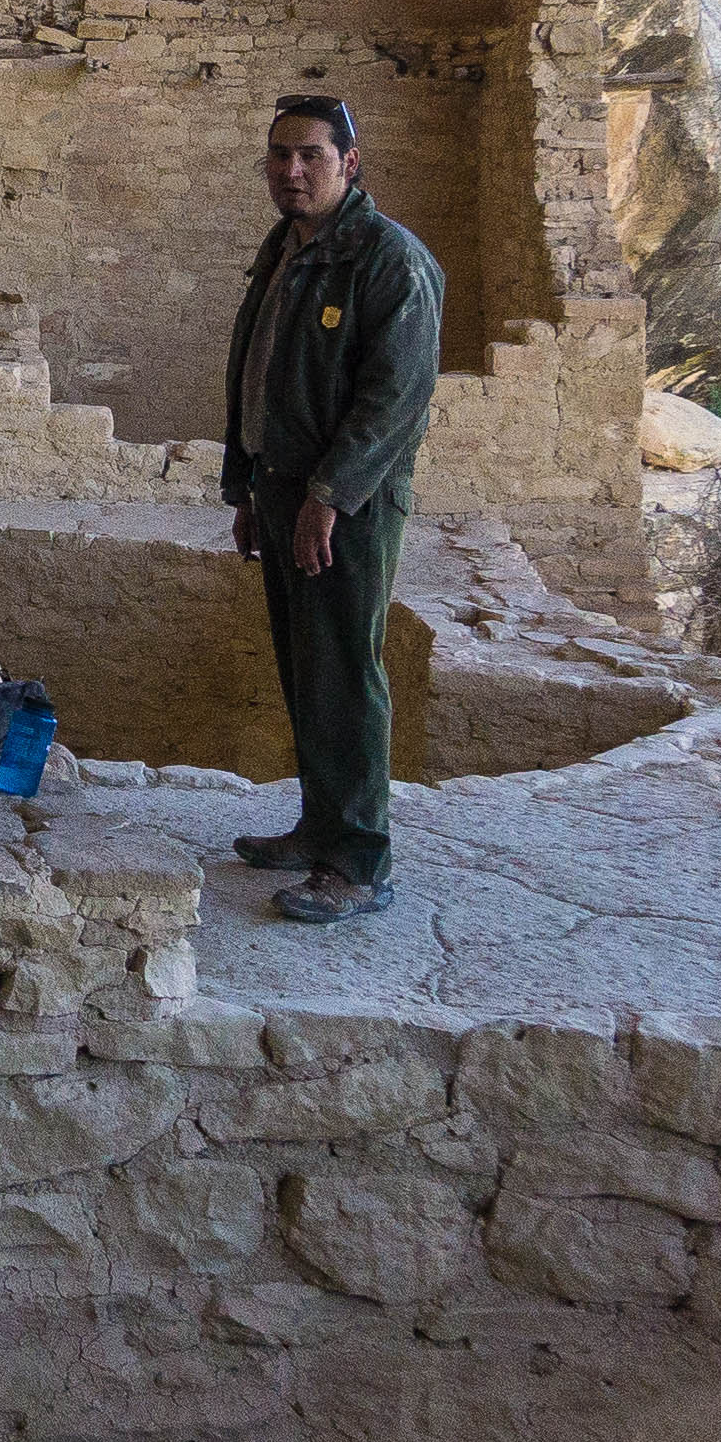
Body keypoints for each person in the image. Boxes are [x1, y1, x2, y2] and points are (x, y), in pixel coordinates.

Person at [220, 92, 446, 926]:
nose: (292, 170)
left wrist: (328, 495)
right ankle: (320, 829)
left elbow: (396, 398)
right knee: (306, 666)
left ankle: (358, 864)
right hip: (283, 485)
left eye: (311, 155)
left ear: (350, 164)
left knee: (346, 671)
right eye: (280, 155)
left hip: (347, 501)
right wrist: (246, 487)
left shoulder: (388, 259)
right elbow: (258, 375)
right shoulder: (288, 249)